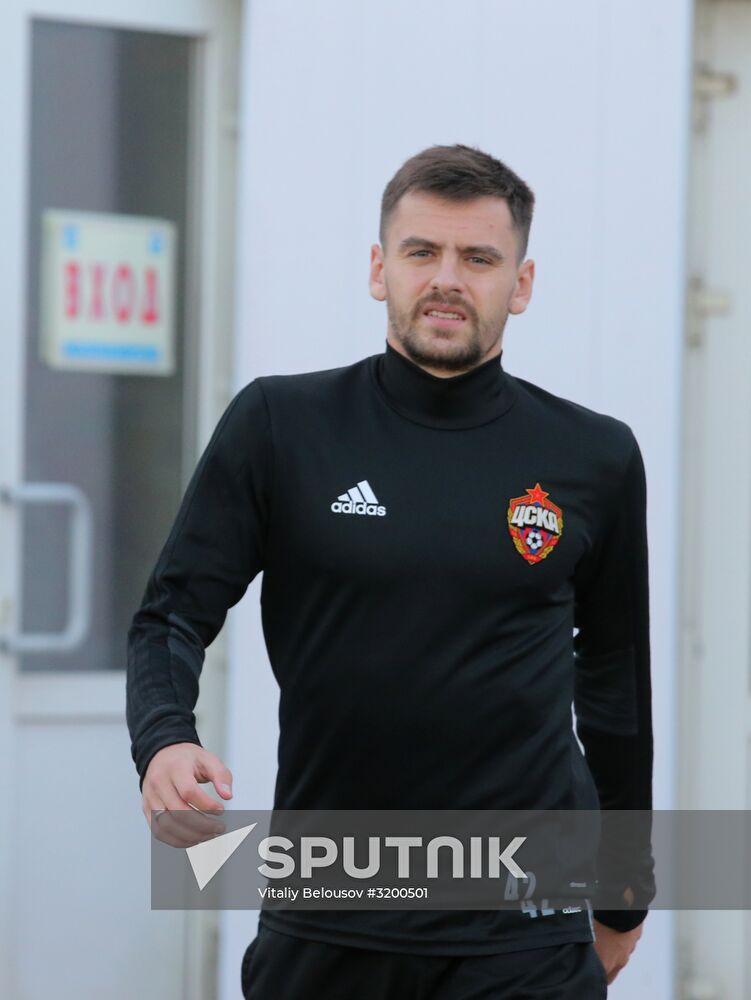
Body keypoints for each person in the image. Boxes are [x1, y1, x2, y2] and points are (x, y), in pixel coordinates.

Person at [126, 143, 655, 998]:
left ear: (520, 284)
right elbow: (170, 616)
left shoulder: (592, 455)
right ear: (380, 269)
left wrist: (624, 895)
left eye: (478, 258)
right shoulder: (280, 425)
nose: (446, 278)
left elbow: (615, 682)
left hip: (523, 932)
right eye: (421, 252)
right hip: (326, 917)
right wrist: (163, 738)